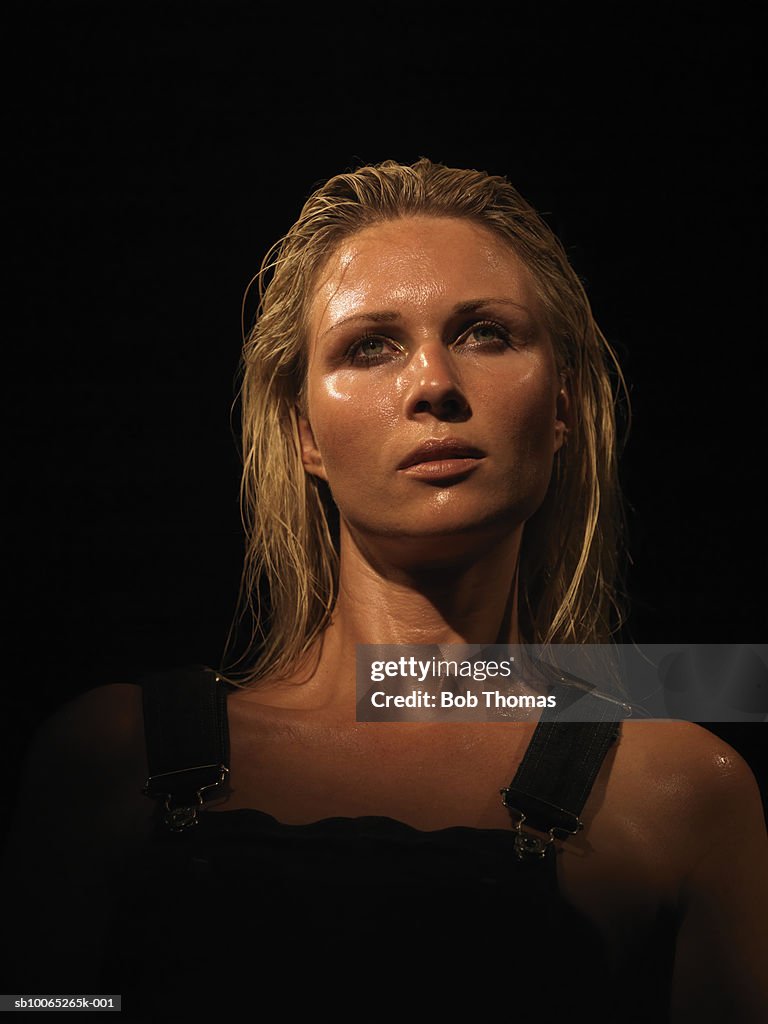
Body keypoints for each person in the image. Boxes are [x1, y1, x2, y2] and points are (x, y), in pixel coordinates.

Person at [3, 159, 766, 1022]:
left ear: (562, 408)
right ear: (304, 435)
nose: (434, 384)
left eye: (485, 333)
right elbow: (40, 1005)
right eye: (371, 345)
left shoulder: (680, 793)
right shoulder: (112, 759)